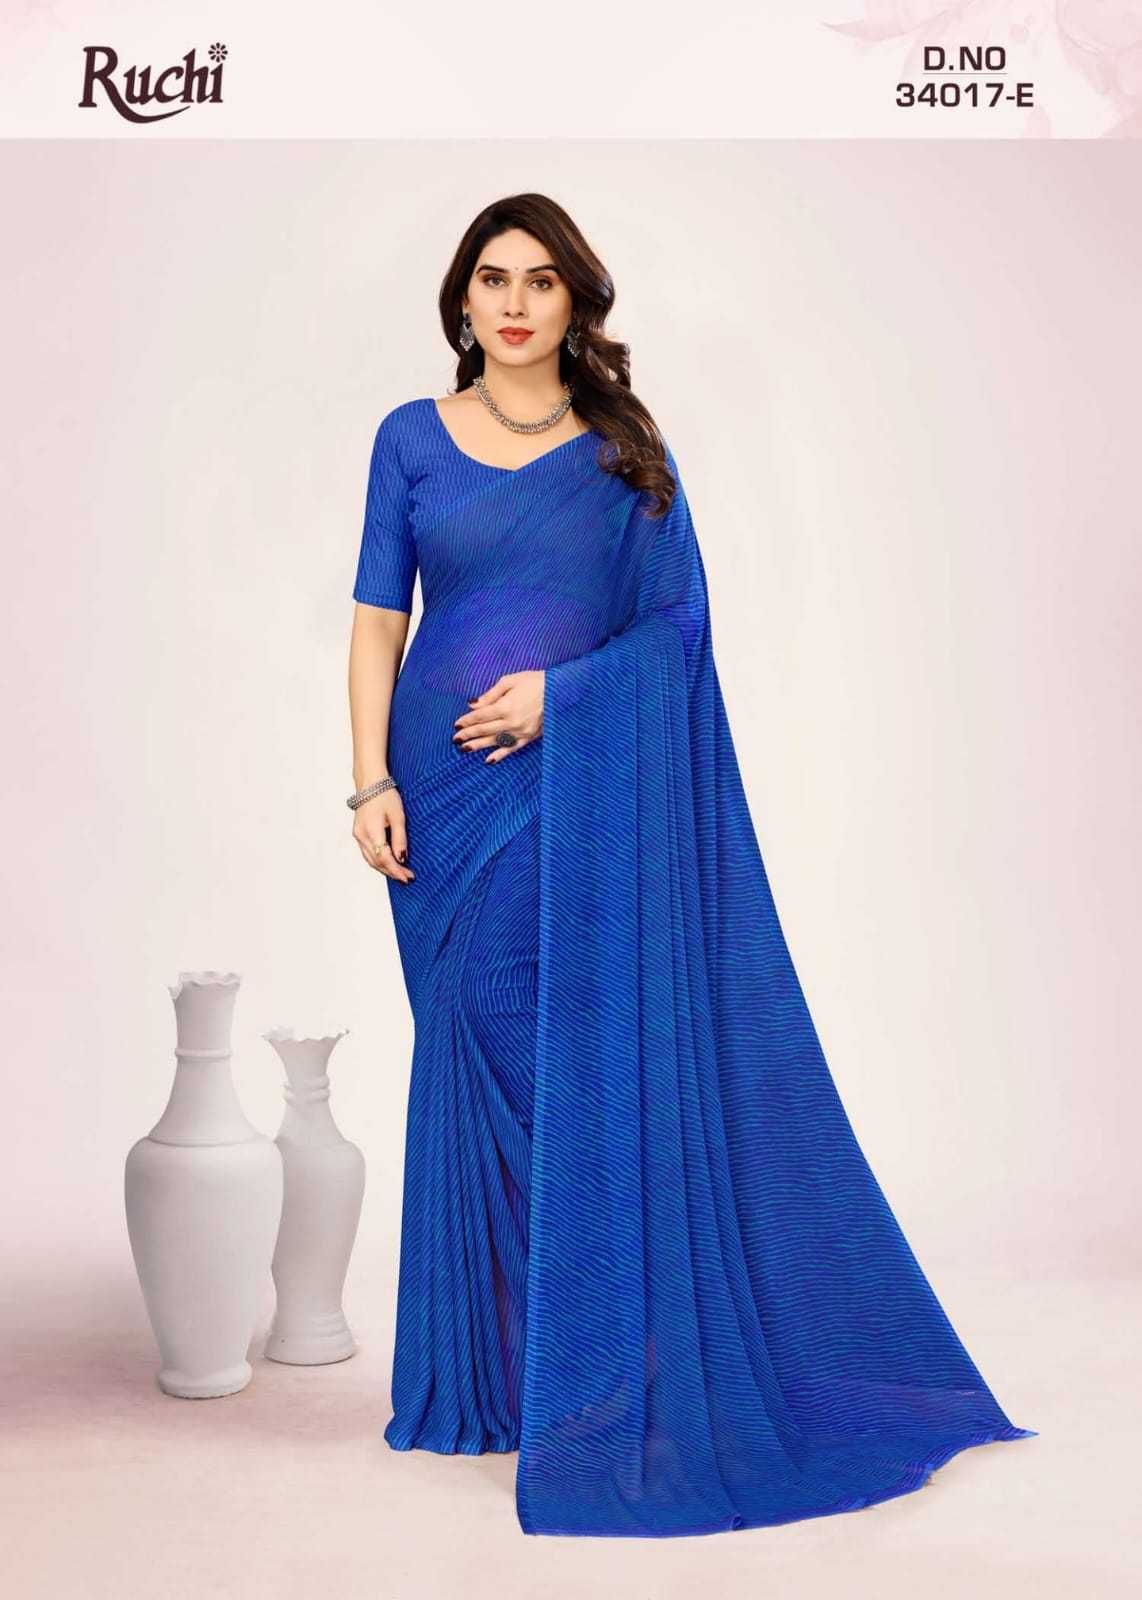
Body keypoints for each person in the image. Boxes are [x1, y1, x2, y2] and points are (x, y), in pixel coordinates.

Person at [345, 192, 1036, 1539]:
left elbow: (677, 629)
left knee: (558, 1066)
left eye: (542, 280)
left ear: (575, 301)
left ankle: (607, 1370)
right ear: (462, 299)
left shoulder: (623, 451)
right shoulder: (408, 439)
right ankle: (500, 1377)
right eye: (493, 278)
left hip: (566, 789)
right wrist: (370, 778)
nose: (515, 302)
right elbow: (378, 617)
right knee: (467, 1046)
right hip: (435, 796)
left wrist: (561, 698)